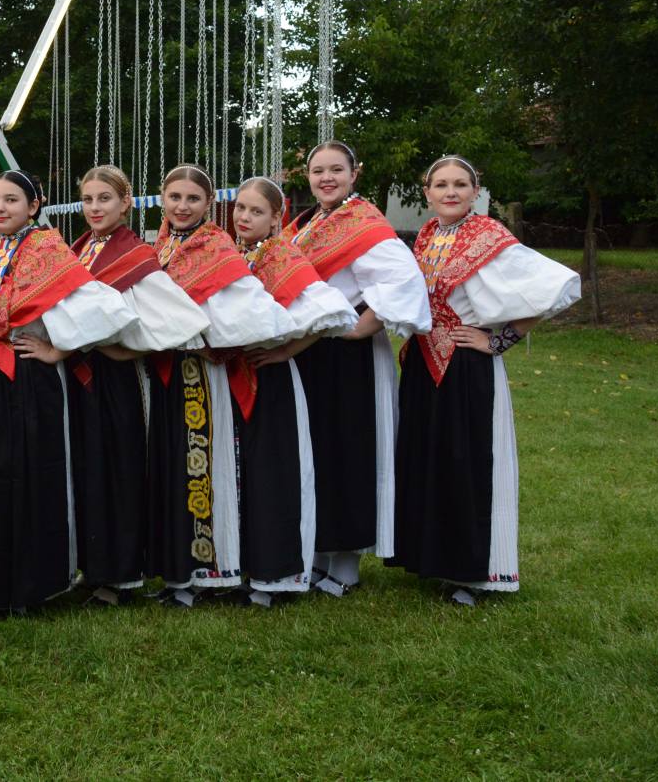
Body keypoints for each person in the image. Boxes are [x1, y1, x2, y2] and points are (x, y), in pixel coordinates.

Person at [388, 156, 578, 605]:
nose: (450, 192)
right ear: (427, 192)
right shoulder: (429, 235)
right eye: (441, 185)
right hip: (422, 365)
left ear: (476, 192)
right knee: (430, 460)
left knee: (468, 462)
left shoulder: (490, 237)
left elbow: (555, 287)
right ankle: (437, 561)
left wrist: (500, 340)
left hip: (465, 366)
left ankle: (477, 572)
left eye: (460, 184)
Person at [0, 169, 136, 614]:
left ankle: (29, 584)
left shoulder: (47, 248)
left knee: (29, 476)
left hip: (27, 377)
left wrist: (59, 349)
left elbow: (108, 310)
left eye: (12, 200)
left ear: (34, 206)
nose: (0, 207)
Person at [281, 141, 431, 597]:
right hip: (313, 350)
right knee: (318, 451)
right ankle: (321, 554)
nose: (326, 178)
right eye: (317, 171)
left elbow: (403, 278)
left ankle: (345, 564)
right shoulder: (308, 224)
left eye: (335, 170)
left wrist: (360, 329)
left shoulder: (363, 221)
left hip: (348, 359)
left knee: (347, 452)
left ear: (354, 173)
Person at [147, 164, 295, 608]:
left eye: (193, 198)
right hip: (171, 366)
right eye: (175, 197)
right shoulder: (164, 242)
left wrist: (213, 341)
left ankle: (208, 572)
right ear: (161, 198)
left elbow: (243, 313)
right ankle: (180, 575)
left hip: (203, 372)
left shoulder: (215, 245)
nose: (182, 205)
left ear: (210, 204)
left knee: (203, 469)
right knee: (177, 466)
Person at [66, 165, 208, 606]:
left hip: (120, 381)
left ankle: (122, 575)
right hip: (83, 377)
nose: (95, 208)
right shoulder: (81, 248)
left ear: (126, 204)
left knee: (120, 472)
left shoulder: (135, 254)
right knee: (91, 470)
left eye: (104, 199)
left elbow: (181, 321)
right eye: (88, 199)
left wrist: (124, 352)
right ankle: (96, 568)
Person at [229, 176, 358, 608]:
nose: (245, 217)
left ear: (275, 219)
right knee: (244, 475)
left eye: (257, 211)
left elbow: (331, 312)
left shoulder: (282, 255)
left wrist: (287, 349)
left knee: (274, 477)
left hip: (272, 381)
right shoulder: (232, 254)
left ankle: (277, 577)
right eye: (240, 208)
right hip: (235, 375)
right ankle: (248, 569)